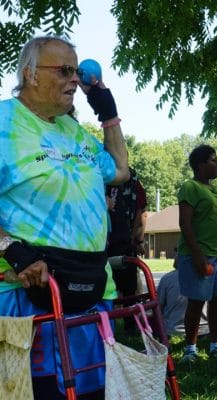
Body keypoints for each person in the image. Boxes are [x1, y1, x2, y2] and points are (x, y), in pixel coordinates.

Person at [0, 36, 128, 399]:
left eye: (76, 72)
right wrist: (12, 249)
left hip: (92, 288)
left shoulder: (71, 130)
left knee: (92, 393)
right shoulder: (4, 123)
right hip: (28, 291)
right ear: (31, 74)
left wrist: (107, 112)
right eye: (64, 70)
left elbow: (119, 171)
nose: (75, 79)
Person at [177, 144, 217, 363]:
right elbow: (185, 224)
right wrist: (198, 256)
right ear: (201, 165)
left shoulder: (216, 191)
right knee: (196, 302)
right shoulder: (190, 187)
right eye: (213, 160)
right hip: (199, 254)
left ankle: (216, 347)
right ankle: (190, 350)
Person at [106, 166, 147, 333]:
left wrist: (135, 237)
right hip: (116, 238)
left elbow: (141, 211)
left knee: (117, 284)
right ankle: (126, 324)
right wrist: (136, 237)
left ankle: (115, 326)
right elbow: (141, 212)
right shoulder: (130, 179)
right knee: (125, 286)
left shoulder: (130, 180)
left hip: (113, 238)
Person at [157, 250, 209, 337]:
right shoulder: (206, 278)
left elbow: (159, 307)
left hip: (173, 330)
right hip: (203, 331)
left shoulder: (167, 278)